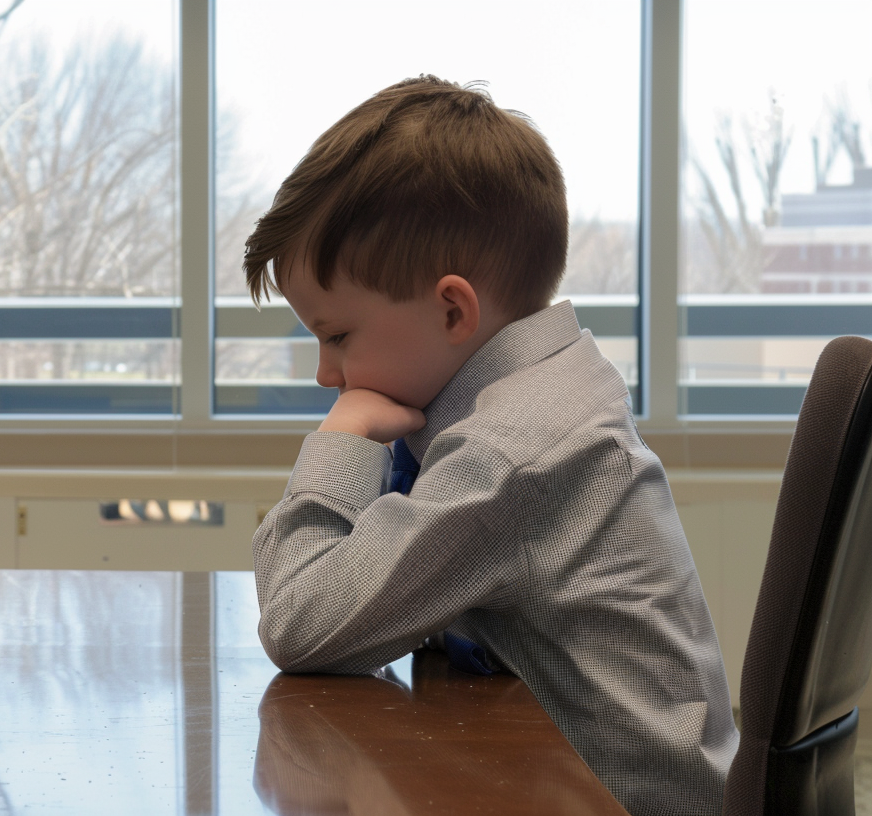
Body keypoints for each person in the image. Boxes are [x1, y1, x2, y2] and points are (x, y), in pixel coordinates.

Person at [246, 75, 738, 816]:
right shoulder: (556, 394)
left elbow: (300, 622)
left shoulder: (513, 455)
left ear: (452, 311)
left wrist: (341, 437)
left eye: (337, 336)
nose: (326, 375)